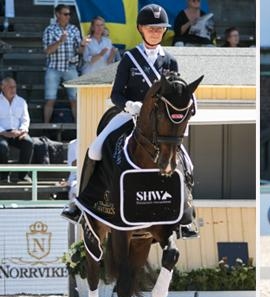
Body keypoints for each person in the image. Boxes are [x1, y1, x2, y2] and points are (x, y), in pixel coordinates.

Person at [61, 4, 198, 239]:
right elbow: (116, 93)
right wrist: (130, 105)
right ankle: (80, 204)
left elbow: (176, 92)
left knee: (187, 162)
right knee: (95, 149)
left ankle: (186, 217)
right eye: (151, 27)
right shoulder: (130, 58)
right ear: (141, 29)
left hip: (159, 123)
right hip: (130, 114)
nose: (155, 32)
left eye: (159, 28)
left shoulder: (170, 61)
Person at [42, 4, 86, 123]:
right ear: (57, 14)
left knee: (75, 99)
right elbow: (47, 51)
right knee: (50, 99)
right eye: (65, 14)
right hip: (53, 68)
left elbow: (79, 51)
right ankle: (45, 127)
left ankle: (78, 128)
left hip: (70, 68)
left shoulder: (74, 29)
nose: (68, 16)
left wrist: (83, 45)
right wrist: (60, 41)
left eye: (69, 14)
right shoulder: (49, 30)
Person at [0, 77, 33, 184]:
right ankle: (3, 176)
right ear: (2, 87)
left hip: (18, 132)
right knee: (2, 147)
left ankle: (23, 175)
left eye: (14, 87)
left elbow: (25, 119)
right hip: (1, 133)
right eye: (10, 87)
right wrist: (3, 132)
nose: (13, 89)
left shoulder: (21, 101)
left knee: (28, 143)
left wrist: (23, 131)